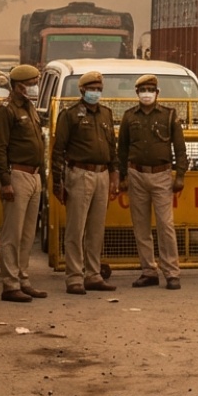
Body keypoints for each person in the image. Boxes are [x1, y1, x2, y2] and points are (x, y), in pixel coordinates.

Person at [50, 70, 118, 295]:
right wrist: (58, 183)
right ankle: (74, 276)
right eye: (91, 88)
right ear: (82, 90)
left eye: (98, 89)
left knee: (96, 229)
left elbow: (112, 148)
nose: (95, 92)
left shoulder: (106, 114)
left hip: (102, 174)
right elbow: (58, 150)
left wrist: (114, 175)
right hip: (79, 173)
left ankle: (93, 274)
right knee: (76, 228)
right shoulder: (69, 115)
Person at [117, 74, 187, 290]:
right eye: (142, 90)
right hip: (136, 174)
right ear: (137, 93)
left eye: (150, 90)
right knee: (141, 226)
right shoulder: (129, 117)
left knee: (166, 225)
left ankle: (172, 272)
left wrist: (181, 175)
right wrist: (122, 176)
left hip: (162, 175)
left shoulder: (169, 115)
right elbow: (122, 149)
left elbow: (180, 148)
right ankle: (148, 271)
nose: (146, 93)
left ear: (157, 93)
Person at [0, 64, 48, 303]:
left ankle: (23, 279)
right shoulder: (5, 110)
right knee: (12, 234)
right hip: (16, 175)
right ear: (19, 86)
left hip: (33, 176)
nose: (35, 87)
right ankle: (10, 283)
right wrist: (4, 180)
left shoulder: (30, 108)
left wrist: (41, 177)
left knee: (27, 234)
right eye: (32, 83)